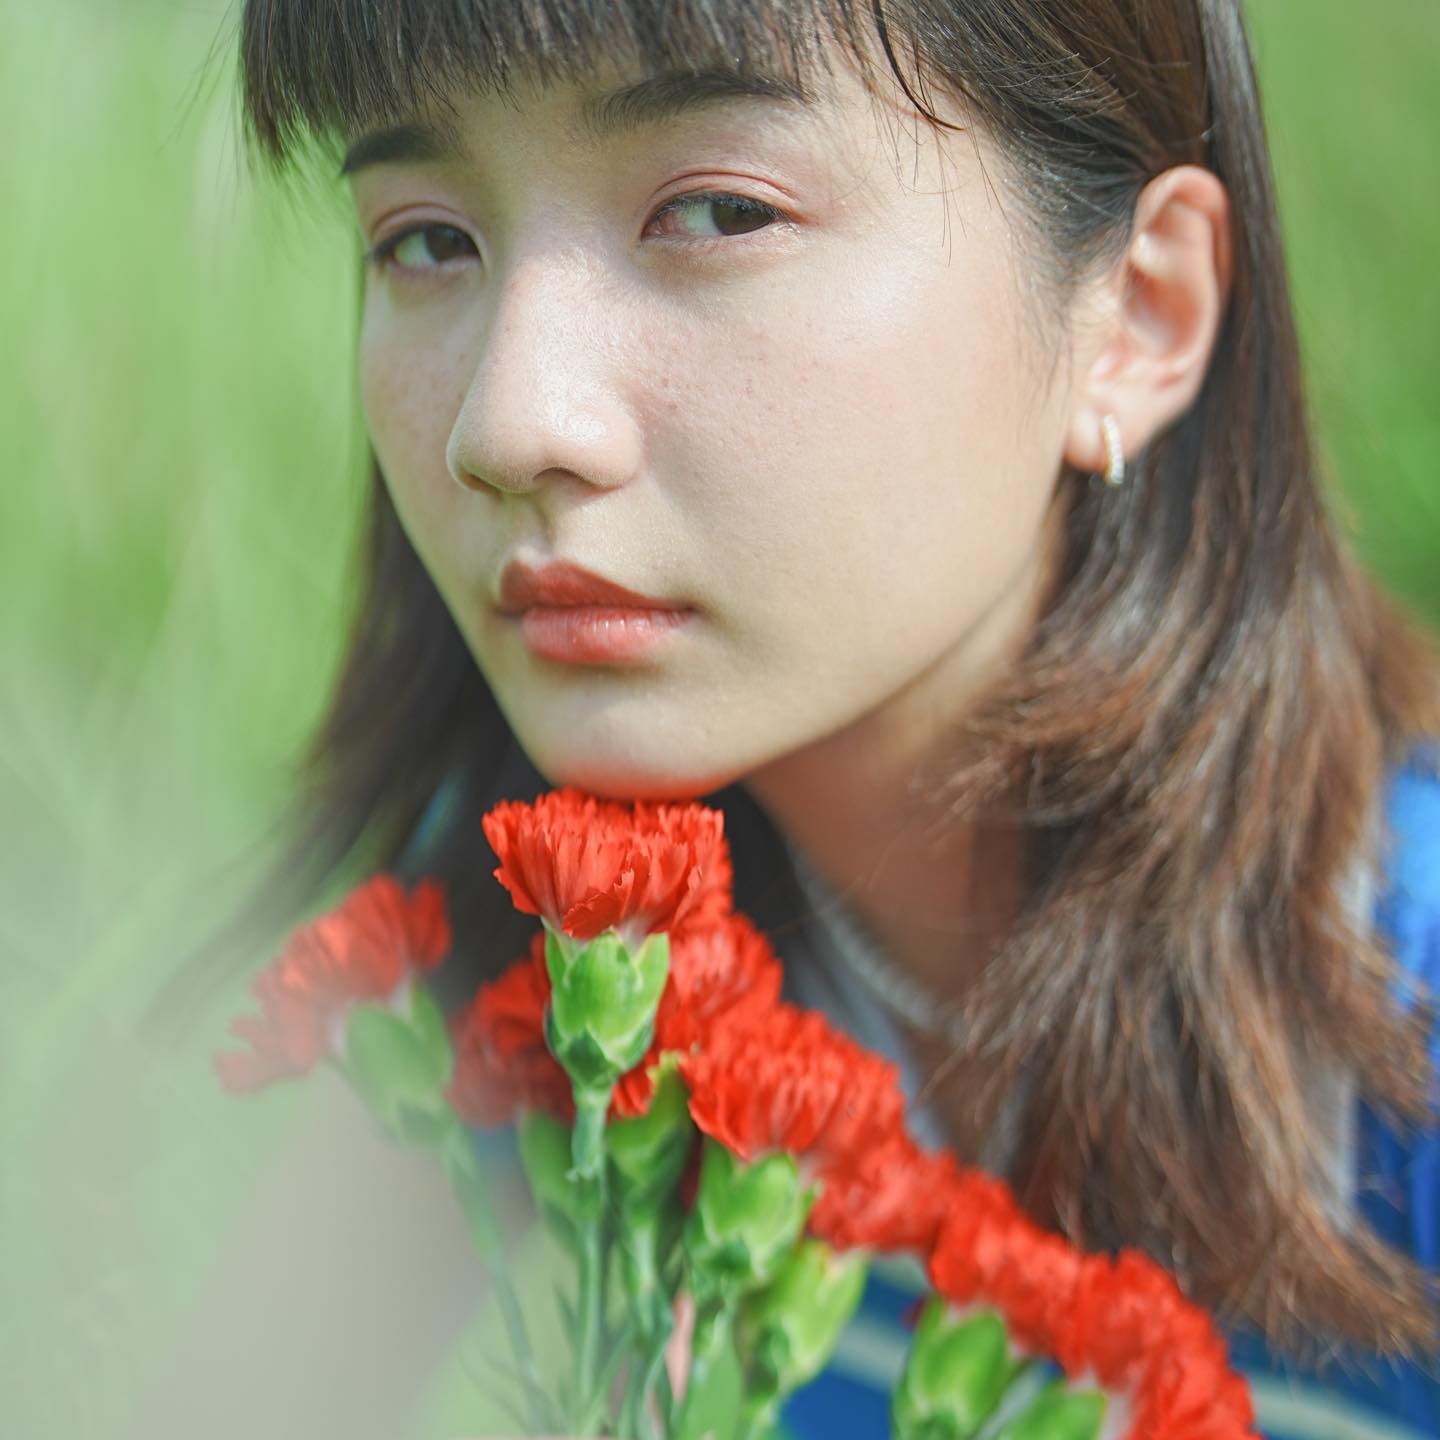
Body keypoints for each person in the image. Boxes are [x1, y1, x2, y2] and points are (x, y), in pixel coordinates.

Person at [144, 0, 1440, 1435]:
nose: (509, 423)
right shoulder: (556, 950)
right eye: (426, 240)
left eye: (715, 210)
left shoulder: (1409, 1017)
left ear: (1137, 313)